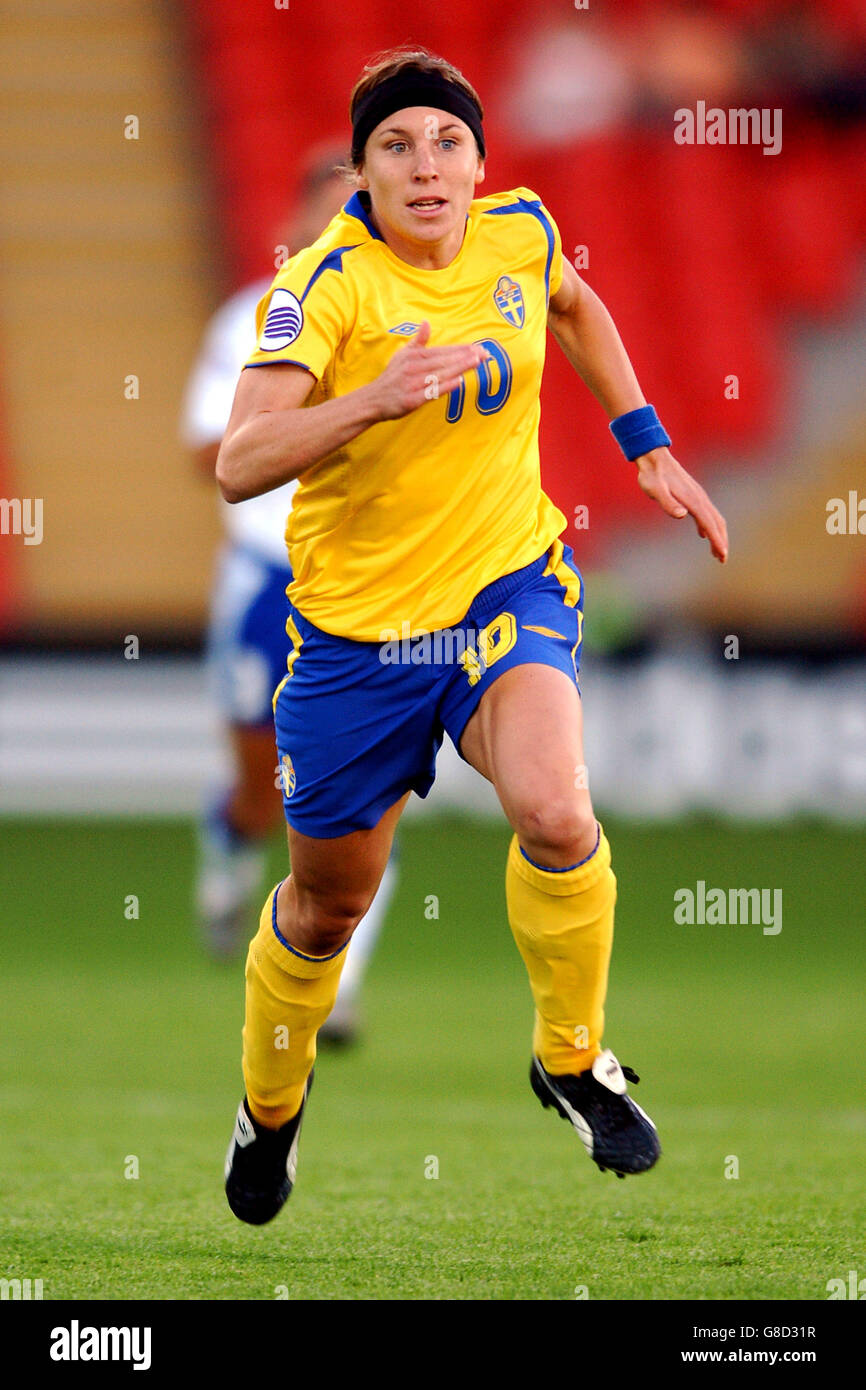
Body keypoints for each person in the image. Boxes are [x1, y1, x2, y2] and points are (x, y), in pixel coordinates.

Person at [218, 46, 728, 1225]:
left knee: (557, 811)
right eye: (396, 145)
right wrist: (370, 400)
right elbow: (240, 462)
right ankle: (269, 1107)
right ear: (362, 170)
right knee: (324, 908)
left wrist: (643, 438)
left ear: (479, 161)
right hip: (353, 642)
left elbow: (575, 303)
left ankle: (569, 1057)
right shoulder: (319, 287)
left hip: (505, 591)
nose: (426, 164)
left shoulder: (521, 233)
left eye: (446, 141)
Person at [181, 147, 397, 1041]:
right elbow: (209, 452)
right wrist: (318, 432)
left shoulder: (406, 316)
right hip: (271, 579)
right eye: (336, 206)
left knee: (372, 788)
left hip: (374, 582)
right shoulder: (255, 322)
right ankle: (228, 854)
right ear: (303, 222)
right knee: (257, 780)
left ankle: (336, 985)